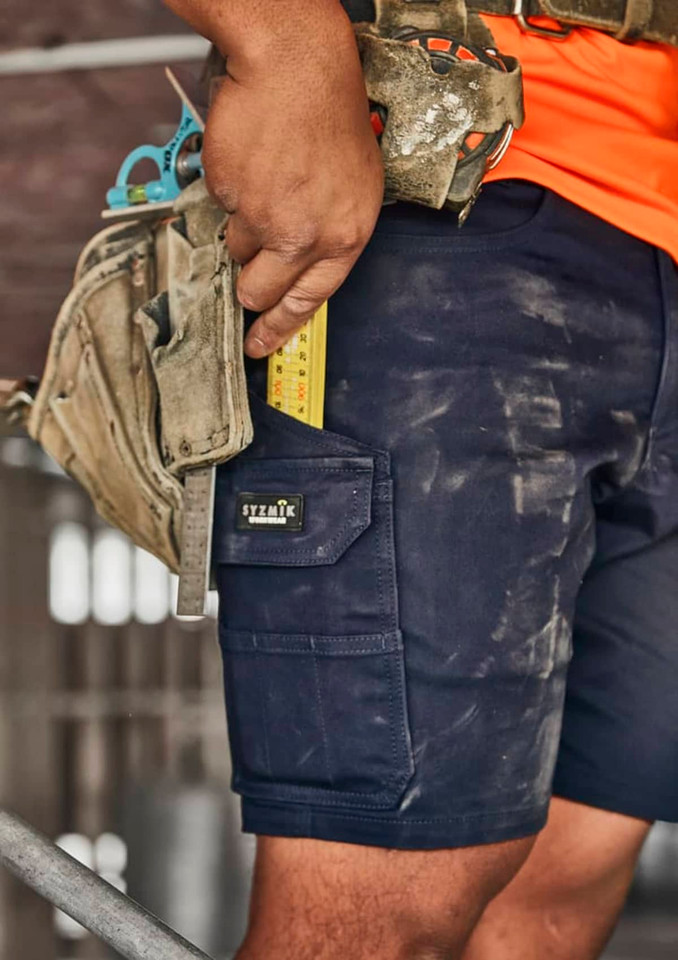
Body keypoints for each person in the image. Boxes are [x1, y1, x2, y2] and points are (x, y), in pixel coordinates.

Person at [164, 1, 678, 957]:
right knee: (381, 909)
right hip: (457, 189)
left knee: (564, 888)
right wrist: (284, 42)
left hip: (661, 232)